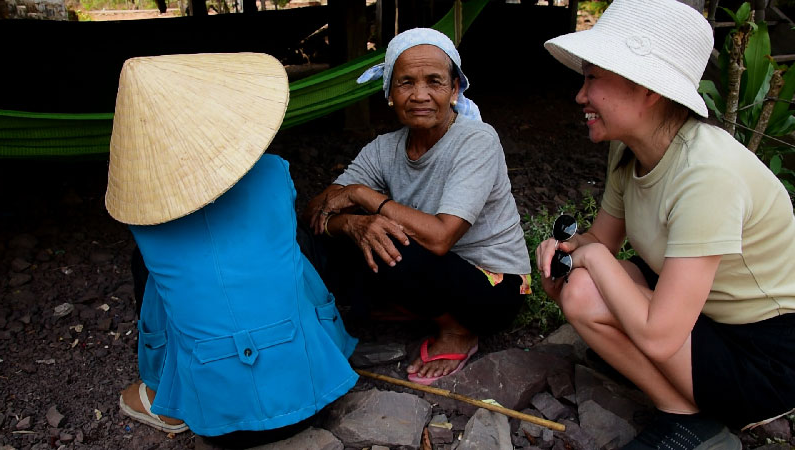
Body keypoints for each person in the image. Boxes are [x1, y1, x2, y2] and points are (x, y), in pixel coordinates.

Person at [536, 0, 795, 448]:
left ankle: (696, 420)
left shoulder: (707, 173)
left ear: (646, 89)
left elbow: (658, 336)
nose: (581, 95)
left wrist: (593, 258)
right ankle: (680, 404)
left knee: (591, 281)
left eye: (593, 78)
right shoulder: (630, 149)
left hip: (760, 352)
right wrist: (565, 254)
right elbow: (601, 240)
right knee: (579, 284)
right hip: (696, 305)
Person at [104, 53, 359, 448]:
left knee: (160, 277)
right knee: (287, 252)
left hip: (216, 420)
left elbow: (160, 313)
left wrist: (156, 379)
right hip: (311, 395)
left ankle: (163, 401)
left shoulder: (145, 218)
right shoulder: (274, 173)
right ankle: (326, 346)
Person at [303, 28, 531, 386]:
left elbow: (441, 238)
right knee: (332, 238)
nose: (420, 95)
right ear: (390, 93)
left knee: (392, 240)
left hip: (493, 287)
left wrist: (365, 198)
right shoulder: (385, 148)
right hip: (434, 269)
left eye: (435, 82)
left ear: (454, 90)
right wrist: (350, 225)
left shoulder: (477, 141)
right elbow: (317, 209)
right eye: (406, 82)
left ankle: (458, 330)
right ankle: (414, 307)